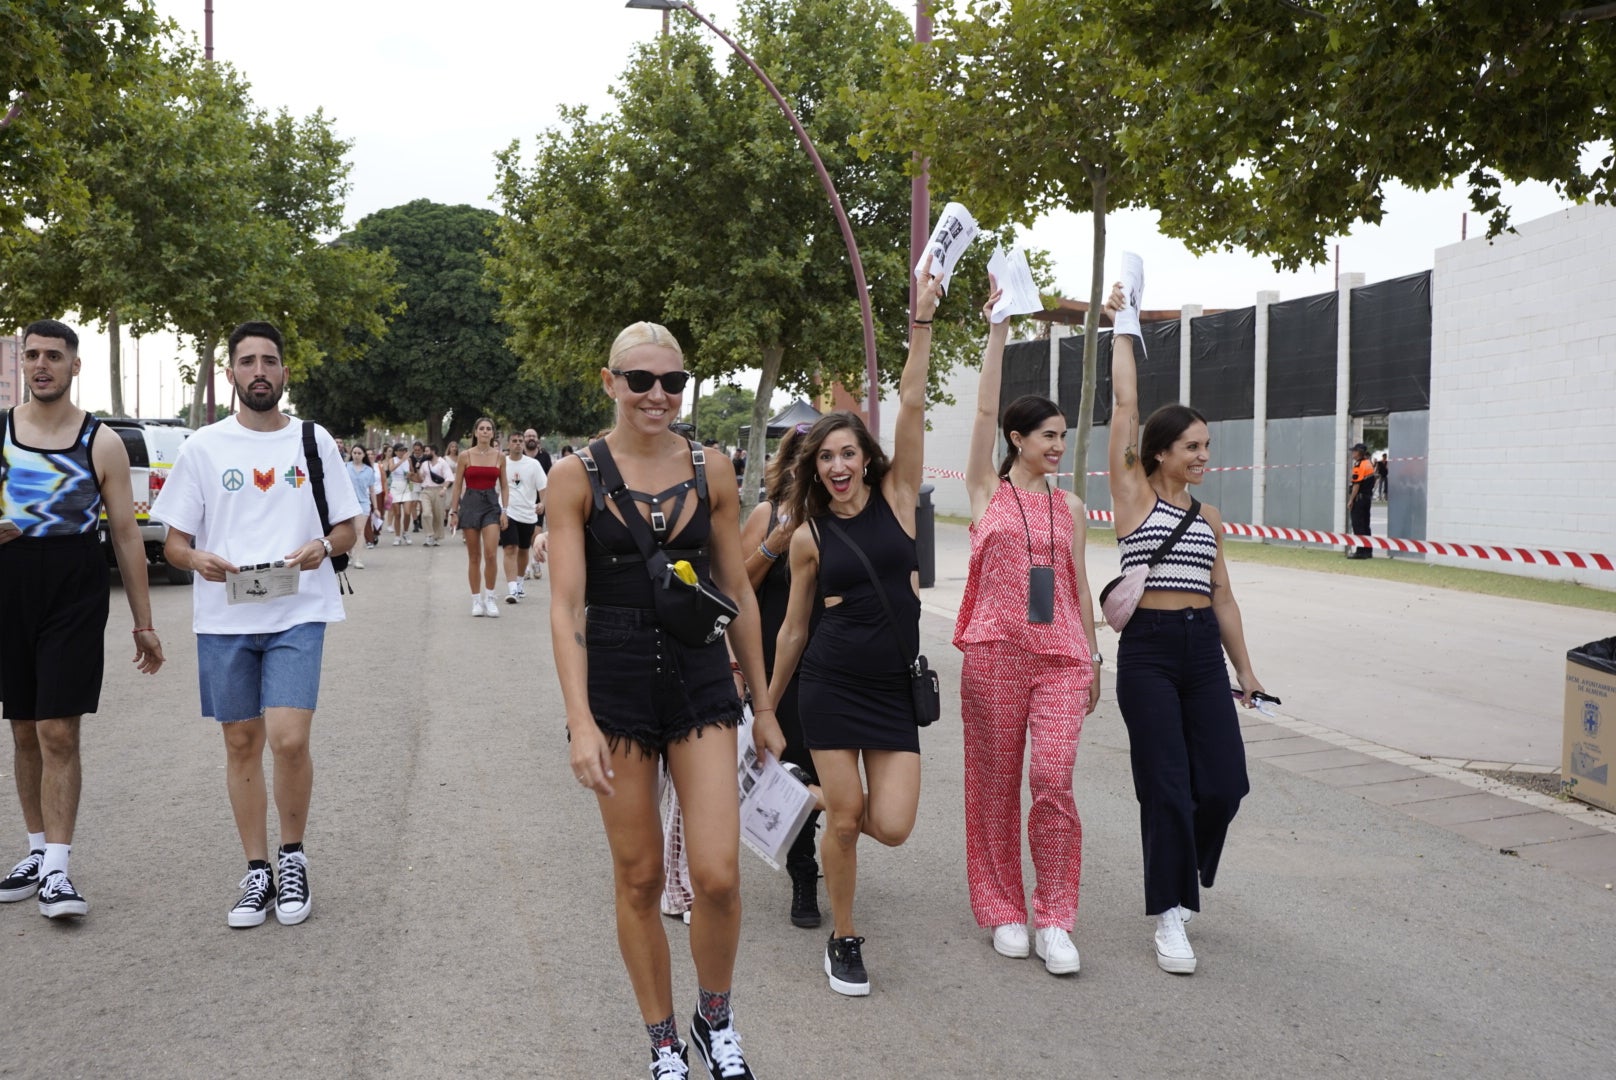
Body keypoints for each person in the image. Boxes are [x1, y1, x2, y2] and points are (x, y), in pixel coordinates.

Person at [549, 321, 778, 1079]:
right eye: (640, 380)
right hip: (615, 683)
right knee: (641, 875)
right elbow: (564, 606)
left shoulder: (712, 467)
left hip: (700, 674)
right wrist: (580, 721)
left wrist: (767, 705)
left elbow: (737, 586)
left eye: (672, 382)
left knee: (716, 872)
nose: (657, 396)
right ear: (609, 381)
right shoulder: (574, 476)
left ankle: (716, 1019)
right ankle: (662, 1041)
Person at [767, 258, 944, 997]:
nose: (838, 464)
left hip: (892, 693)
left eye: (848, 453)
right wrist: (768, 705)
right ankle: (843, 938)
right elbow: (794, 629)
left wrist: (922, 321)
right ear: (816, 467)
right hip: (832, 685)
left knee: (892, 824)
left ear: (866, 462)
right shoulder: (807, 534)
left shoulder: (899, 497)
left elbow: (909, 399)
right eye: (827, 456)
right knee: (846, 823)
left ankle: (807, 798)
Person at [151, 320, 362, 928]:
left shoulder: (313, 441)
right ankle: (257, 870)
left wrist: (324, 545)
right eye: (248, 362)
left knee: (289, 739)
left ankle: (292, 857)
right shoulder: (203, 448)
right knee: (240, 741)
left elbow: (349, 527)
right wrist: (198, 560)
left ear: (285, 373)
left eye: (270, 361)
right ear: (231, 374)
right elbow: (174, 544)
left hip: (298, 610)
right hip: (225, 617)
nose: (260, 371)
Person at [1106, 268, 1267, 975]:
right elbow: (1124, 403)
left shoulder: (1209, 518)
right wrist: (1122, 325)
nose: (1204, 456)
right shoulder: (1135, 496)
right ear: (1162, 452)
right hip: (1147, 651)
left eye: (1207, 445)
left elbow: (1223, 593)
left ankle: (1182, 867)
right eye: (1193, 446)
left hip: (1202, 649)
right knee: (1165, 784)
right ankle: (1171, 912)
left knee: (1225, 785)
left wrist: (1247, 669)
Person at [955, 279, 1100, 976]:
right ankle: (1004, 909)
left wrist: (1094, 657)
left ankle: (1056, 916)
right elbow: (983, 405)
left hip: (1062, 658)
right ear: (1018, 438)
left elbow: (1075, 584)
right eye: (1048, 436)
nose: (1058, 447)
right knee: (992, 783)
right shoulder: (988, 490)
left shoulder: (1070, 506)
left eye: (1063, 438)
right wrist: (998, 329)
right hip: (994, 653)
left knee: (1052, 776)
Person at [0, 319, 165, 920]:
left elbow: (125, 534)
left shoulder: (102, 442)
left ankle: (58, 873)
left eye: (53, 356)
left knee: (58, 730)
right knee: (22, 728)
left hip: (74, 581)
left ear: (75, 367)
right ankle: (36, 851)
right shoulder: (2, 432)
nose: (41, 364)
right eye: (33, 355)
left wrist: (143, 622)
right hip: (9, 581)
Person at [737, 422, 825, 929]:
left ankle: (826, 854)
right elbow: (739, 585)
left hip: (835, 658)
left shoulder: (842, 517)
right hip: (780, 659)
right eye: (805, 456)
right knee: (794, 764)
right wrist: (774, 543)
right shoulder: (769, 513)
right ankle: (803, 873)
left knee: (828, 765)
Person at [448, 417, 508, 617]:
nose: (484, 432)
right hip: (471, 503)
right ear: (475, 432)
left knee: (491, 554)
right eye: (481, 428)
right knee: (474, 556)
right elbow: (457, 486)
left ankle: (490, 597)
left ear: (492, 433)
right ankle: (476, 600)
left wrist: (505, 510)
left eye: (488, 429)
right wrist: (453, 511)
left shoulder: (500, 456)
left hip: (491, 504)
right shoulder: (465, 456)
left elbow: (505, 485)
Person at [500, 431, 546, 604]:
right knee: (510, 548)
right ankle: (512, 588)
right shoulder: (502, 463)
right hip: (508, 511)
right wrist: (500, 510)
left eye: (520, 441)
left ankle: (519, 583)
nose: (518, 443)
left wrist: (543, 503)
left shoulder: (533, 464)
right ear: (509, 444)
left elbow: (543, 487)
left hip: (528, 514)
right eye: (514, 441)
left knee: (523, 550)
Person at [344, 444, 376, 570]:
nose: (356, 455)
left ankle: (358, 558)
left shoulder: (369, 470)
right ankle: (348, 554)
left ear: (363, 455)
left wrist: (376, 507)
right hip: (348, 503)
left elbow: (372, 490)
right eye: (354, 453)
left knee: (359, 530)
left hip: (363, 503)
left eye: (359, 453)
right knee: (349, 530)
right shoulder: (345, 467)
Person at [417, 444, 452, 546]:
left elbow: (449, 478)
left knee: (438, 515)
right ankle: (429, 535)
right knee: (426, 513)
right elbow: (420, 478)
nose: (425, 453)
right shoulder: (424, 464)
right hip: (426, 491)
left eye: (427, 451)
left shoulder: (442, 463)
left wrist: (444, 489)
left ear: (433, 451)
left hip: (439, 491)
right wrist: (418, 470)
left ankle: (436, 537)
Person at [1347, 442, 1375, 559]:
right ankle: (1368, 551)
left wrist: (1351, 500)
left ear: (1359, 453)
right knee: (1366, 525)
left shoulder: (1359, 465)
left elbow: (1356, 485)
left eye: (1354, 451)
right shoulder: (1368, 463)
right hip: (1367, 498)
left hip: (1359, 499)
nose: (1352, 453)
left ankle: (1360, 552)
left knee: (1358, 525)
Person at [386, 443, 415, 545]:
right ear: (396, 451)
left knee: (407, 512)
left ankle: (406, 532)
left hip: (406, 485)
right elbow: (391, 469)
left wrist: (410, 474)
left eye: (404, 450)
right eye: (400, 450)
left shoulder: (409, 460)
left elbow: (412, 471)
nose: (403, 452)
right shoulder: (392, 460)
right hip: (395, 486)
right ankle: (397, 536)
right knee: (397, 514)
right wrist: (402, 461)